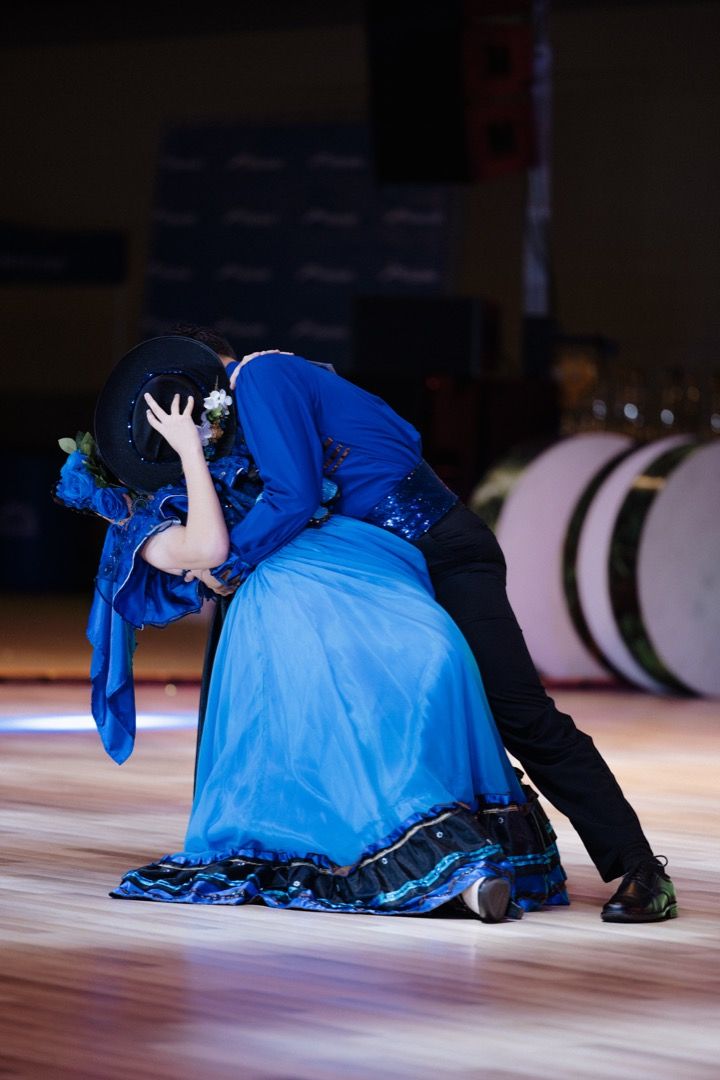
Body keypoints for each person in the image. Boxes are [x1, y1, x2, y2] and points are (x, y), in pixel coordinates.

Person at [170, 325, 677, 925]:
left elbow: (296, 496)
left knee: (519, 712)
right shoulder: (268, 395)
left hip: (444, 556)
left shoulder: (260, 374)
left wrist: (226, 564)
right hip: (385, 569)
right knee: (392, 705)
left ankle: (641, 868)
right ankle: (438, 857)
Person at [57, 336, 568, 920]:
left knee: (435, 662)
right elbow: (214, 547)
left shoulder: (235, 447)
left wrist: (205, 454)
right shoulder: (144, 528)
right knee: (348, 729)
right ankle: (448, 863)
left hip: (341, 570)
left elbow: (319, 475)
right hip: (287, 605)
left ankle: (457, 851)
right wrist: (192, 454)